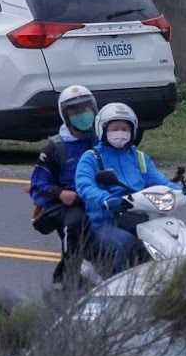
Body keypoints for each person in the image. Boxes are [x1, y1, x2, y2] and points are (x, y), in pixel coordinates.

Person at [74, 102, 175, 276]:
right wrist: (105, 199)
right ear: (103, 130)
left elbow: (159, 181)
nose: (120, 132)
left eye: (125, 128)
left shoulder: (139, 157)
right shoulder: (92, 157)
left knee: (168, 240)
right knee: (125, 242)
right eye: (115, 128)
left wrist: (180, 191)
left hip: (139, 216)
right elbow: (84, 186)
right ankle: (115, 285)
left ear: (132, 131)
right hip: (104, 221)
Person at [28, 84, 99, 283]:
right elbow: (38, 185)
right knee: (74, 224)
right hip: (69, 204)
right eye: (75, 111)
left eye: (85, 109)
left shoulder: (102, 139)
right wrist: (60, 194)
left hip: (101, 199)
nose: (82, 115)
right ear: (65, 115)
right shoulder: (55, 147)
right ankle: (68, 275)